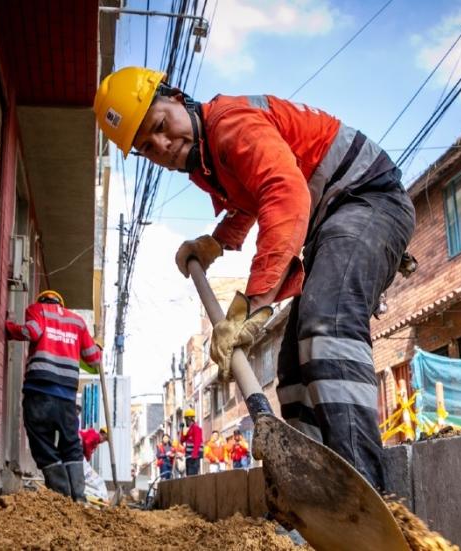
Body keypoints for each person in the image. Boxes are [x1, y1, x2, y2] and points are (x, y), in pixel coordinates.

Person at [94, 67, 415, 491]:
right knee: (294, 366)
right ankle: (316, 493)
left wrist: (253, 305)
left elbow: (284, 195)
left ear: (174, 96)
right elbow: (252, 197)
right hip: (334, 222)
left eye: (160, 126)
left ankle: (366, 492)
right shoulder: (210, 158)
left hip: (367, 200)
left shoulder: (228, 125)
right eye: (148, 148)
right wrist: (217, 242)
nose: (164, 146)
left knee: (327, 325)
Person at [5, 290, 102, 501]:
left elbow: (32, 332)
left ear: (43, 301)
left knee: (43, 444)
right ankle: (78, 499)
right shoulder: (77, 322)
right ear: (61, 303)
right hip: (67, 398)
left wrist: (9, 327)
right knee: (71, 445)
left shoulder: (37, 310)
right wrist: (97, 348)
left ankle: (61, 496)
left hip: (39, 392)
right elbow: (93, 358)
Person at [178, 408, 203, 476]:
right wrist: (181, 429)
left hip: (194, 458)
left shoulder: (196, 428)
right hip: (189, 457)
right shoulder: (190, 430)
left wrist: (194, 455)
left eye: (185, 419)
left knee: (192, 477)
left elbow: (197, 443)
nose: (185, 421)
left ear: (189, 418)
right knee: (189, 476)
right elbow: (182, 440)